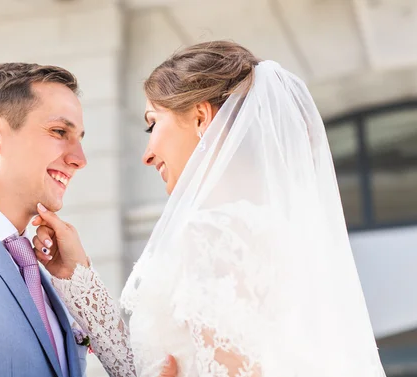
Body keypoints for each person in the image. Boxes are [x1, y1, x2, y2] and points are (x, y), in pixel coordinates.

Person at [31, 41, 387, 377]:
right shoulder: (276, 234)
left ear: (201, 118)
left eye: (153, 123)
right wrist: (76, 277)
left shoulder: (214, 233)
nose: (147, 154)